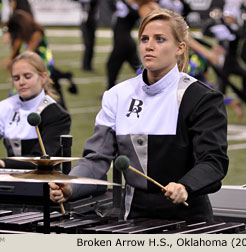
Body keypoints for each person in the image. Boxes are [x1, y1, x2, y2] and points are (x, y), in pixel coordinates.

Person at [49, 9, 228, 222]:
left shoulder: (200, 98)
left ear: (180, 48)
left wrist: (185, 186)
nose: (149, 46)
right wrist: (70, 184)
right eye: (144, 39)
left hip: (189, 217)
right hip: (134, 216)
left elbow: (213, 161)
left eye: (160, 39)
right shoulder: (117, 95)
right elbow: (96, 159)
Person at [2, 9, 78, 109]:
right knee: (20, 91)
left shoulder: (36, 32)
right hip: (31, 62)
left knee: (47, 88)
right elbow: (18, 45)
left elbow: (29, 51)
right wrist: (11, 58)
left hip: (42, 62)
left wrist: (17, 64)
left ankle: (56, 111)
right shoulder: (24, 32)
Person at [106, 0, 159, 90]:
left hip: (123, 43)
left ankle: (110, 89)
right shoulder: (129, 6)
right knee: (138, 67)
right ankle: (155, 83)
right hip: (127, 43)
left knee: (111, 64)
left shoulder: (135, 8)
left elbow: (133, 12)